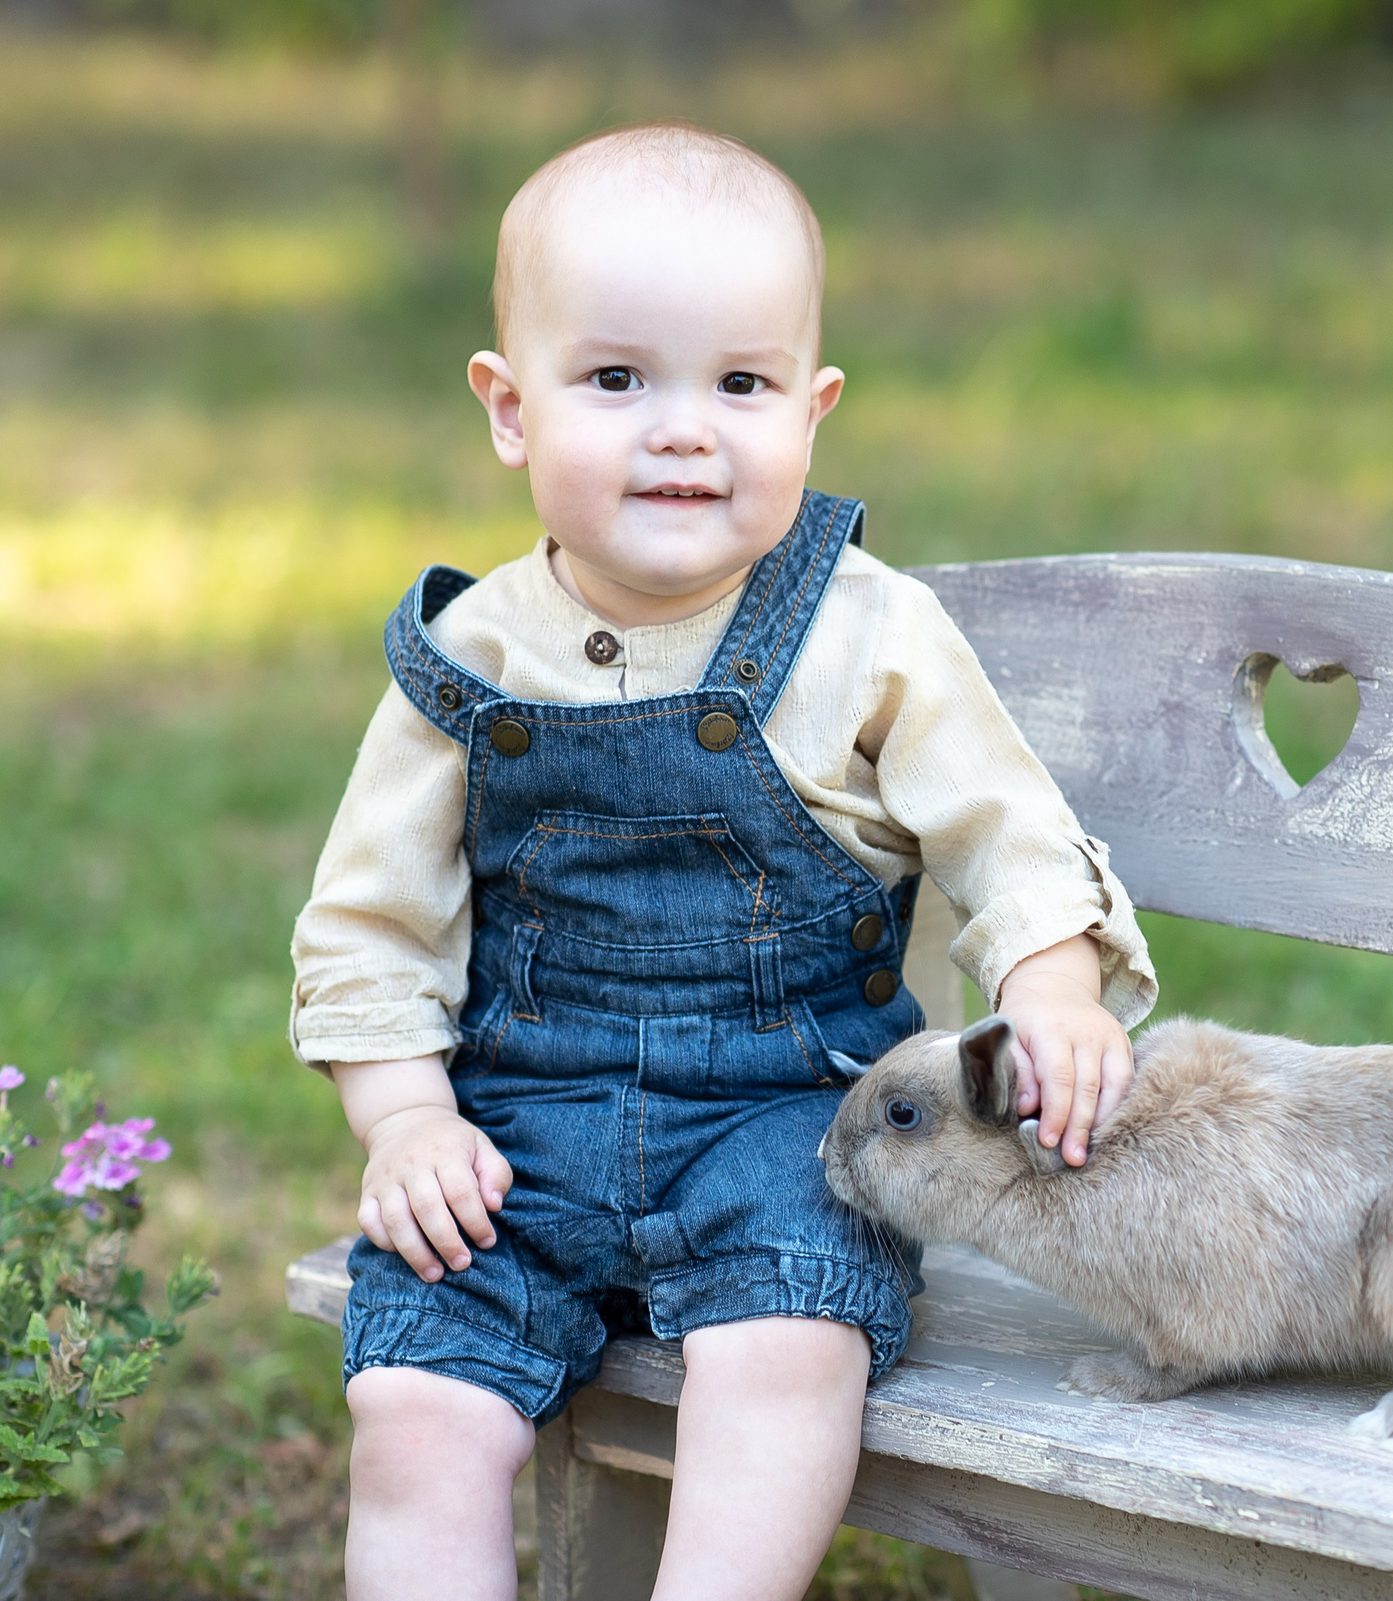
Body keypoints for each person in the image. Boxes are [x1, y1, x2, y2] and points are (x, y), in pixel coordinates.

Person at [289, 120, 1157, 1601]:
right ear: (510, 408)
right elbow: (370, 928)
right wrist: (407, 1125)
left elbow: (1008, 834)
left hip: (790, 1122)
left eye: (740, 384)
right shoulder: (466, 658)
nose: (684, 428)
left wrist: (1055, 988)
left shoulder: (867, 633)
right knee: (416, 1404)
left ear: (811, 413)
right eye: (618, 379)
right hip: (515, 1128)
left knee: (786, 1348)